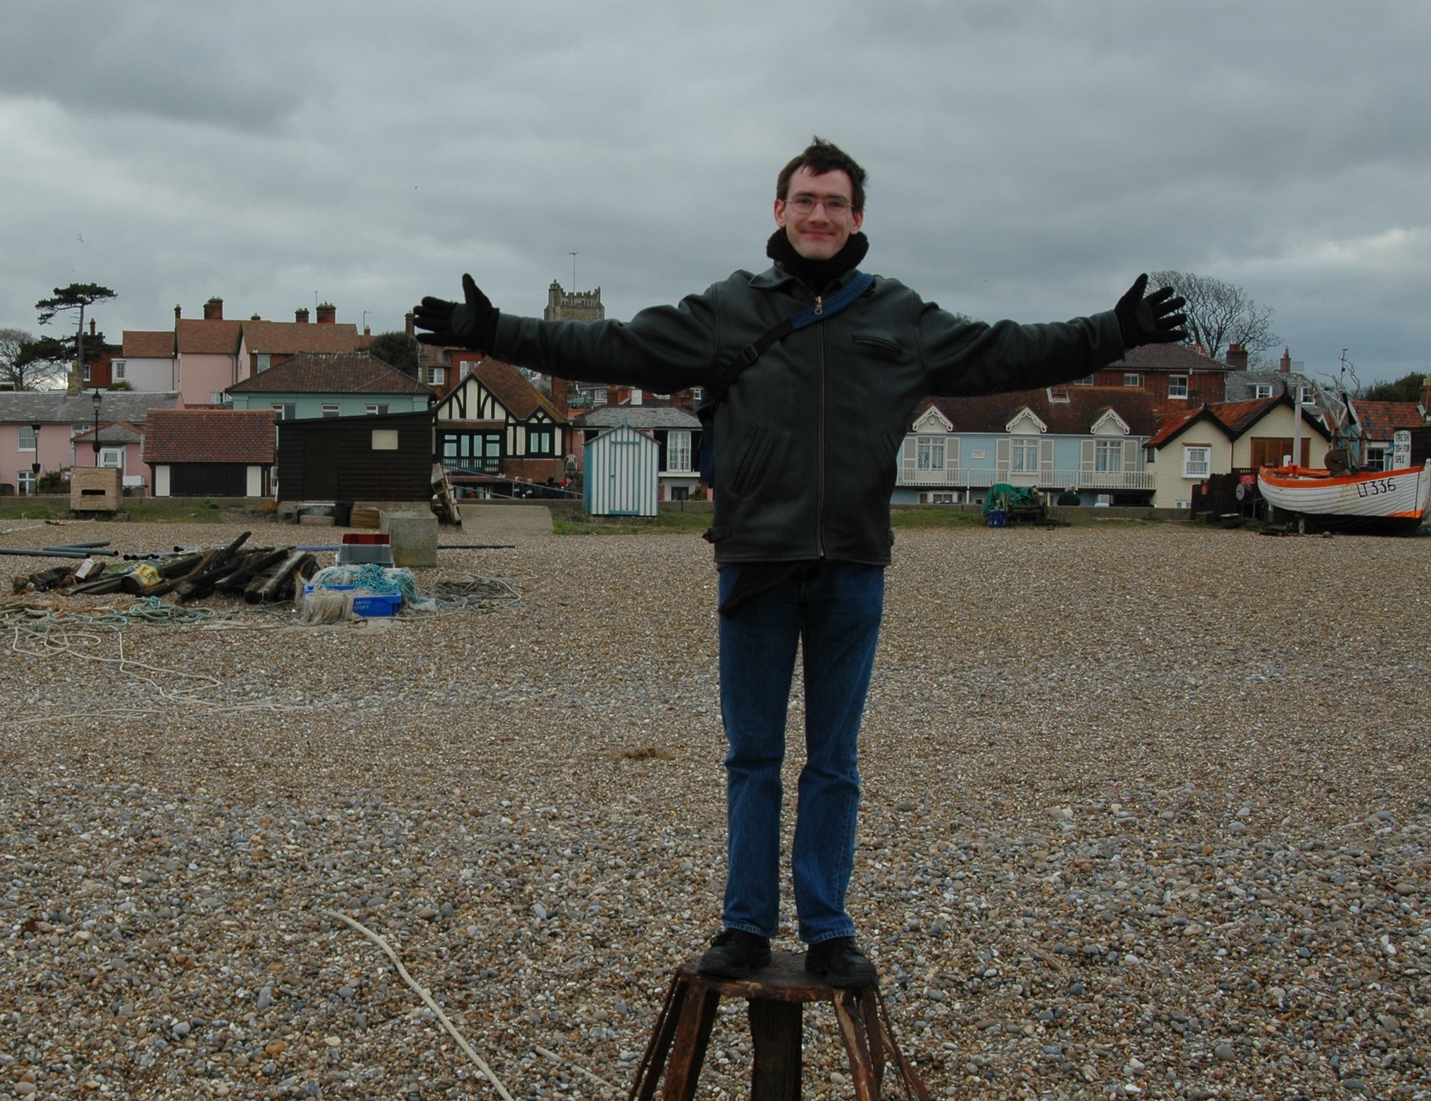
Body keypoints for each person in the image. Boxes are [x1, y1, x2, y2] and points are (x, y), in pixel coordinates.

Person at [414, 138, 1185, 988]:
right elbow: (613, 346)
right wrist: (492, 332)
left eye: (836, 203)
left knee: (834, 758)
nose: (821, 215)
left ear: (858, 217)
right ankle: (745, 923)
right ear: (779, 211)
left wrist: (1118, 332)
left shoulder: (900, 316)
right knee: (753, 754)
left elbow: (1013, 350)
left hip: (852, 563)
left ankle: (827, 926)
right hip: (756, 562)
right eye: (806, 200)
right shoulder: (729, 310)